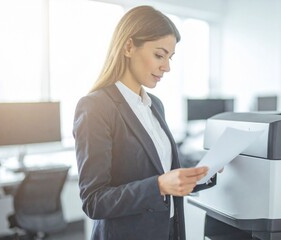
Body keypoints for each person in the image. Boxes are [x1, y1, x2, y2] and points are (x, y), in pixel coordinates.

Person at [73, 5, 216, 240]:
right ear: (129, 47)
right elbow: (94, 201)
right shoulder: (96, 107)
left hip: (169, 231)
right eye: (159, 55)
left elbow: (167, 175)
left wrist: (204, 170)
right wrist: (158, 186)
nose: (167, 67)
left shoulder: (155, 105)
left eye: (170, 58)